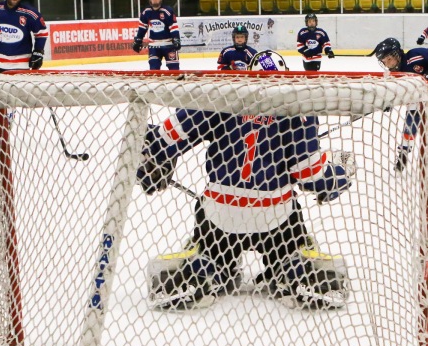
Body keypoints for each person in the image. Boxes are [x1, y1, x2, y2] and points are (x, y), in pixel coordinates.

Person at [137, 50, 354, 311]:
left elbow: (164, 138)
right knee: (292, 236)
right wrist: (339, 175)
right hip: (275, 215)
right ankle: (293, 270)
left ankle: (204, 268)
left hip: (220, 215)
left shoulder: (220, 96)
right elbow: (309, 174)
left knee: (210, 242)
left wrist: (152, 162)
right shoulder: (297, 106)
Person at [374, 37, 428, 171]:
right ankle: (403, 153)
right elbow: (395, 92)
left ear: (396, 54)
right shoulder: (394, 74)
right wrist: (389, 102)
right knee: (410, 123)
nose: (387, 64)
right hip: (418, 99)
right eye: (384, 62)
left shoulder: (415, 57)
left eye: (388, 59)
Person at [132, 0, 181, 70]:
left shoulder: (167, 11)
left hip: (168, 45)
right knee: (154, 69)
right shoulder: (146, 12)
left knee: (174, 69)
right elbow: (142, 28)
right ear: (150, 0)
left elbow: (173, 27)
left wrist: (176, 39)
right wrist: (138, 39)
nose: (155, 0)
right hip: (154, 46)